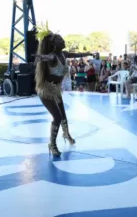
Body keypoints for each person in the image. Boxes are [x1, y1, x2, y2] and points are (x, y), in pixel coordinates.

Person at [34, 23, 93, 157]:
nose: (63, 41)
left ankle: (66, 134)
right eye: (60, 40)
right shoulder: (53, 56)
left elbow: (76, 54)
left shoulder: (63, 54)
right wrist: (42, 57)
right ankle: (52, 144)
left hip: (55, 89)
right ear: (54, 45)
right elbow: (48, 57)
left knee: (63, 115)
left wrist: (87, 53)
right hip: (46, 90)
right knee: (57, 117)